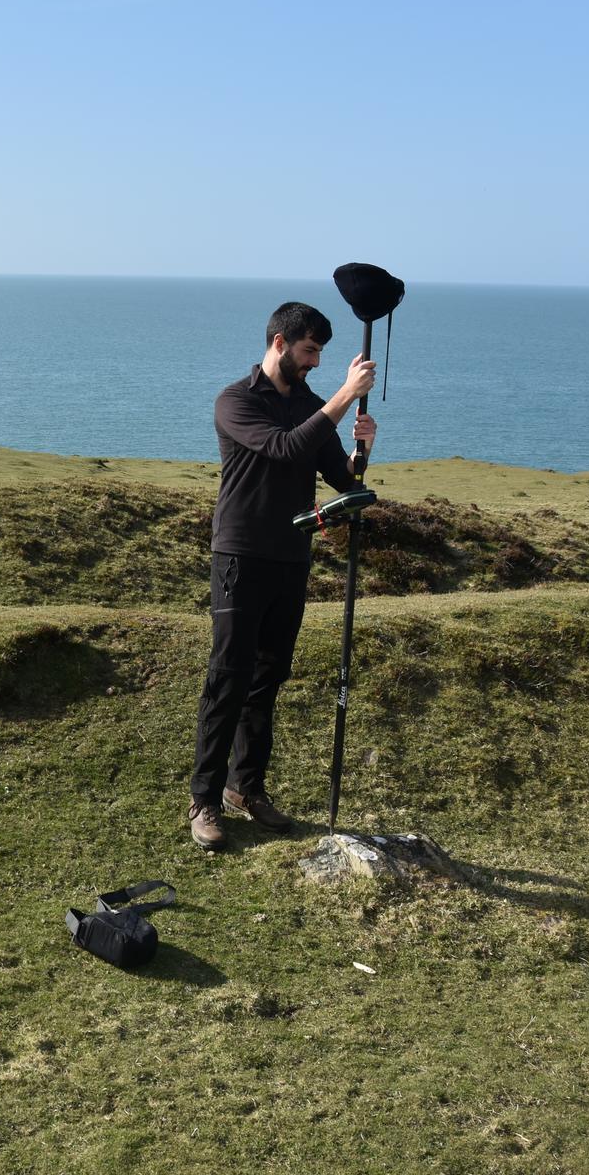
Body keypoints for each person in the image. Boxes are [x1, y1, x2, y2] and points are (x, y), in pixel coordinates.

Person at [189, 301, 378, 850]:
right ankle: (203, 798)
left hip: (291, 557)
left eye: (320, 351)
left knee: (269, 676)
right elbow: (281, 448)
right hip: (240, 556)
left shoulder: (314, 406)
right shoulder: (237, 401)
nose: (316, 362)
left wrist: (363, 447)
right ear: (279, 343)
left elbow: (342, 478)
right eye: (309, 350)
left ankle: (244, 788)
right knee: (228, 676)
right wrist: (344, 399)